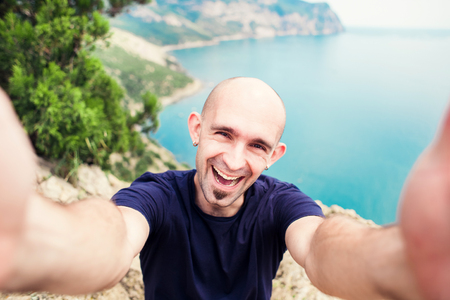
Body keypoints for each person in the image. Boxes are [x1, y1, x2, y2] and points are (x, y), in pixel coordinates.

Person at [0, 77, 449, 300]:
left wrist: (406, 260)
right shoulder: (157, 195)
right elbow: (113, 235)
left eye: (257, 145)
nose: (235, 161)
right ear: (196, 128)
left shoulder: (280, 204)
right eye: (224, 134)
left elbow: (320, 246)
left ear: (275, 156)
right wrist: (29, 234)